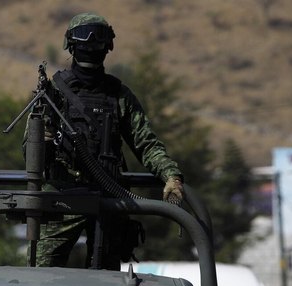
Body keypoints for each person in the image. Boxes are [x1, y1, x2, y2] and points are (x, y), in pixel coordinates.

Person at [27, 12, 184, 270]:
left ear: (107, 45)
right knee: (39, 276)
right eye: (85, 39)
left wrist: (171, 176)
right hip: (62, 199)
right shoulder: (53, 92)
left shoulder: (119, 95)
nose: (91, 45)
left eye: (97, 40)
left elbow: (146, 143)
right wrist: (39, 141)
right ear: (72, 45)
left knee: (108, 283)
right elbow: (29, 154)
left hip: (108, 200)